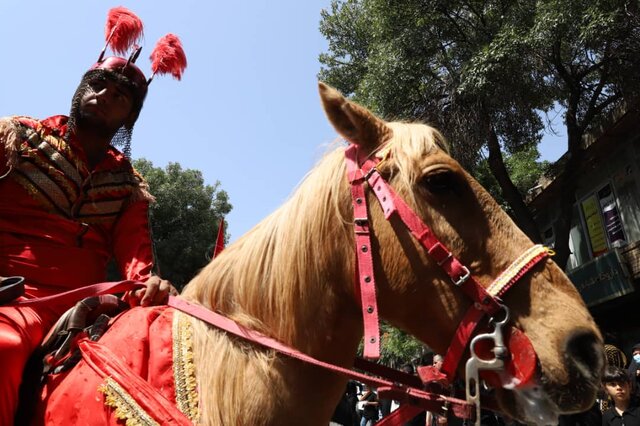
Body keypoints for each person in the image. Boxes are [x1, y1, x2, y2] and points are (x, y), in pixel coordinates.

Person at [0, 7, 186, 423]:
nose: (105, 95)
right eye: (98, 84)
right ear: (82, 87)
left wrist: (150, 285)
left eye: (120, 96)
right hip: (17, 294)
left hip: (90, 302)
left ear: (130, 116)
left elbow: (137, 260)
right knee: (3, 347)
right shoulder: (17, 137)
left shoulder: (128, 185)